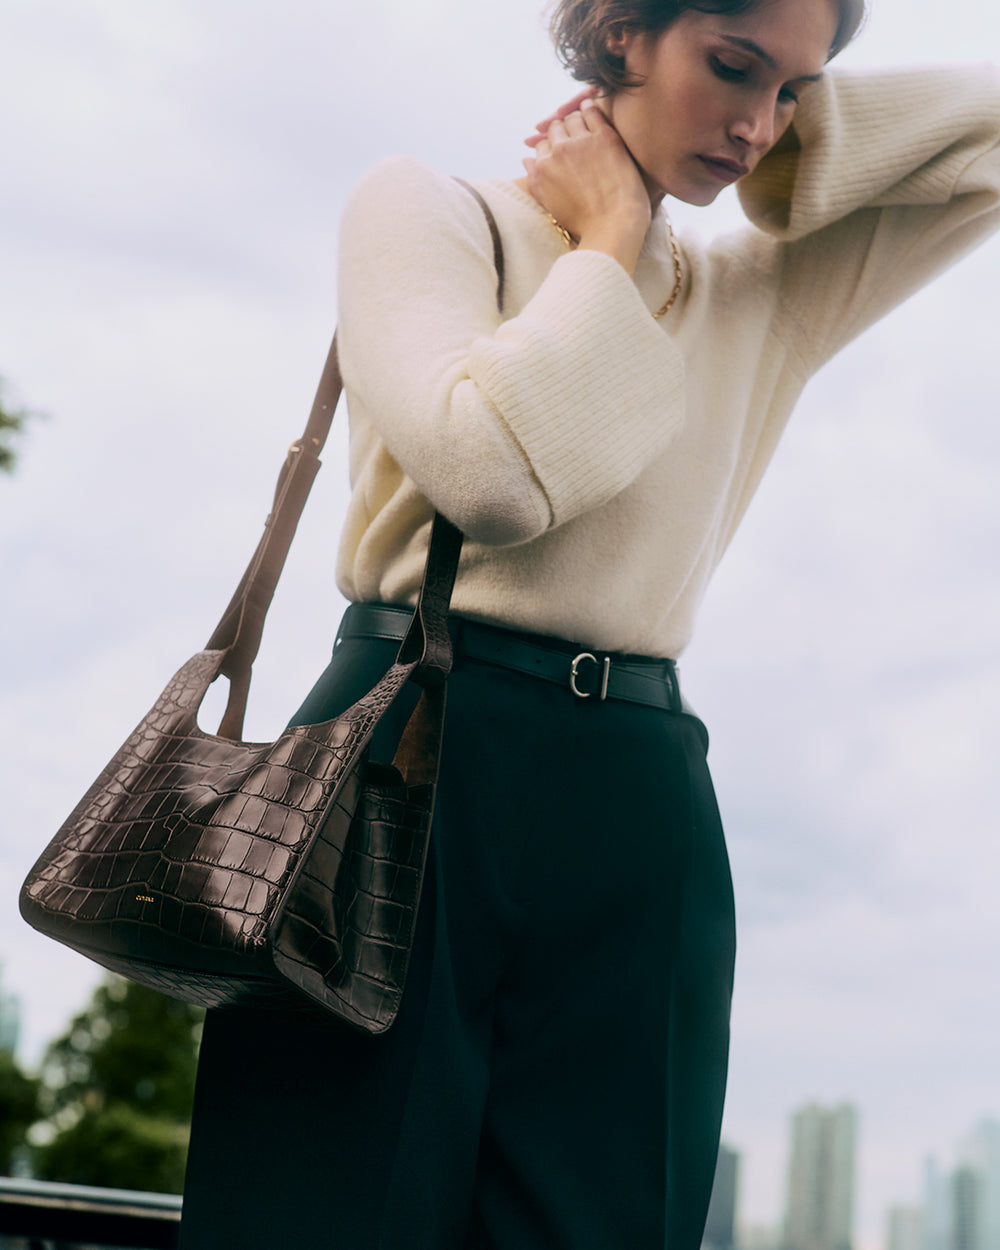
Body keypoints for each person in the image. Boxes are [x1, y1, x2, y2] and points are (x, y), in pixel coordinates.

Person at [178, 1, 1000, 1247]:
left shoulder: (758, 290)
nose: (752, 122)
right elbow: (491, 477)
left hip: (636, 791)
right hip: (401, 752)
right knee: (325, 1205)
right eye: (732, 66)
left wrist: (801, 145)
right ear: (622, 32)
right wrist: (609, 237)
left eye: (791, 91)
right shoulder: (429, 213)